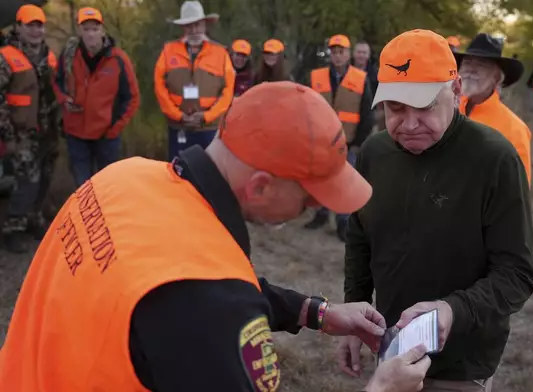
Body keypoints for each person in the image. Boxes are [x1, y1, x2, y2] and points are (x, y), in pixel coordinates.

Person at [0, 81, 430, 392]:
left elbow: (190, 281)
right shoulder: (207, 300)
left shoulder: (125, 177)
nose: (314, 208)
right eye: (310, 197)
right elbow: (204, 296)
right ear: (260, 186)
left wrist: (315, 312)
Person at [338, 29, 533, 392]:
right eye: (395, 108)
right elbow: (360, 238)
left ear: (456, 91)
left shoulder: (495, 159)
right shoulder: (374, 153)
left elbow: (517, 274)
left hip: (463, 361)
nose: (410, 124)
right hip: (391, 350)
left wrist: (452, 310)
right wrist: (356, 310)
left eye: (426, 106)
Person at [55, 7, 140, 188]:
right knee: (82, 189)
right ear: (79, 31)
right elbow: (57, 81)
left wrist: (115, 128)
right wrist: (64, 99)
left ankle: (108, 217)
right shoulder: (69, 55)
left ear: (102, 30)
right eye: (86, 29)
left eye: (95, 29)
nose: (91, 34)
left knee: (107, 188)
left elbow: (132, 98)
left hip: (106, 137)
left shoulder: (118, 59)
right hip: (76, 135)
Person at [0, 4, 60, 253]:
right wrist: (7, 135)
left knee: (45, 178)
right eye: (30, 25)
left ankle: (34, 219)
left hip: (48, 131)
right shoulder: (6, 56)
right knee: (27, 182)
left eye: (39, 25)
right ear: (19, 27)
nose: (35, 30)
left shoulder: (50, 56)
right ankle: (12, 228)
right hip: (22, 132)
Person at [304, 34, 374, 242]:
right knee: (322, 179)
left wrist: (357, 143)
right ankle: (322, 215)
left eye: (341, 52)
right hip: (321, 141)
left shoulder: (361, 79)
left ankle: (343, 222)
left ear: (348, 54)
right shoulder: (316, 76)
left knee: (343, 184)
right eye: (334, 52)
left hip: (347, 143)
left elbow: (366, 115)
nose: (337, 56)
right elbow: (307, 108)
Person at [154, 0, 235, 161]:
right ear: (183, 28)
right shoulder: (169, 50)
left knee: (210, 173)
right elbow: (159, 86)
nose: (194, 30)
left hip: (210, 129)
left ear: (204, 25)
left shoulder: (220, 53)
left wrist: (207, 116)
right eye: (189, 26)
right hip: (179, 128)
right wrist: (178, 115)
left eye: (197, 25)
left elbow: (228, 91)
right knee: (178, 172)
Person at [455, 33, 532, 184]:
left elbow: (517, 189)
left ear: (497, 78)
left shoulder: (514, 129)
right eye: (468, 62)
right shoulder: (447, 110)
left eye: (482, 64)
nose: (472, 69)